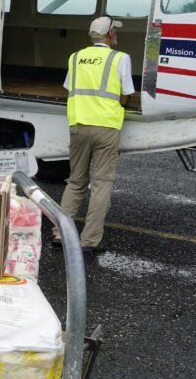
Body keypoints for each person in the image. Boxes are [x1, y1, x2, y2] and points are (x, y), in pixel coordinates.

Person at [54, 16, 135, 253]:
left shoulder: (76, 57)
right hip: (107, 127)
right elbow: (126, 93)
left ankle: (60, 235)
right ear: (110, 34)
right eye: (115, 31)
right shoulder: (120, 58)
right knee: (101, 184)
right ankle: (89, 241)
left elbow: (69, 88)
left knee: (76, 181)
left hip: (78, 125)